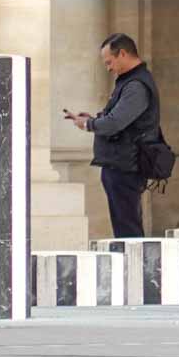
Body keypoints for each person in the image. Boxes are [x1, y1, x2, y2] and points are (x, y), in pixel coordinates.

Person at [65, 34, 163, 240]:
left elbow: (115, 123)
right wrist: (92, 119)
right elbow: (117, 120)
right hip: (120, 163)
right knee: (124, 224)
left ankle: (133, 261)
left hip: (126, 165)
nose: (108, 68)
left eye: (109, 62)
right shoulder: (130, 82)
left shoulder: (136, 86)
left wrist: (88, 124)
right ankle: (130, 259)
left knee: (127, 229)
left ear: (123, 54)